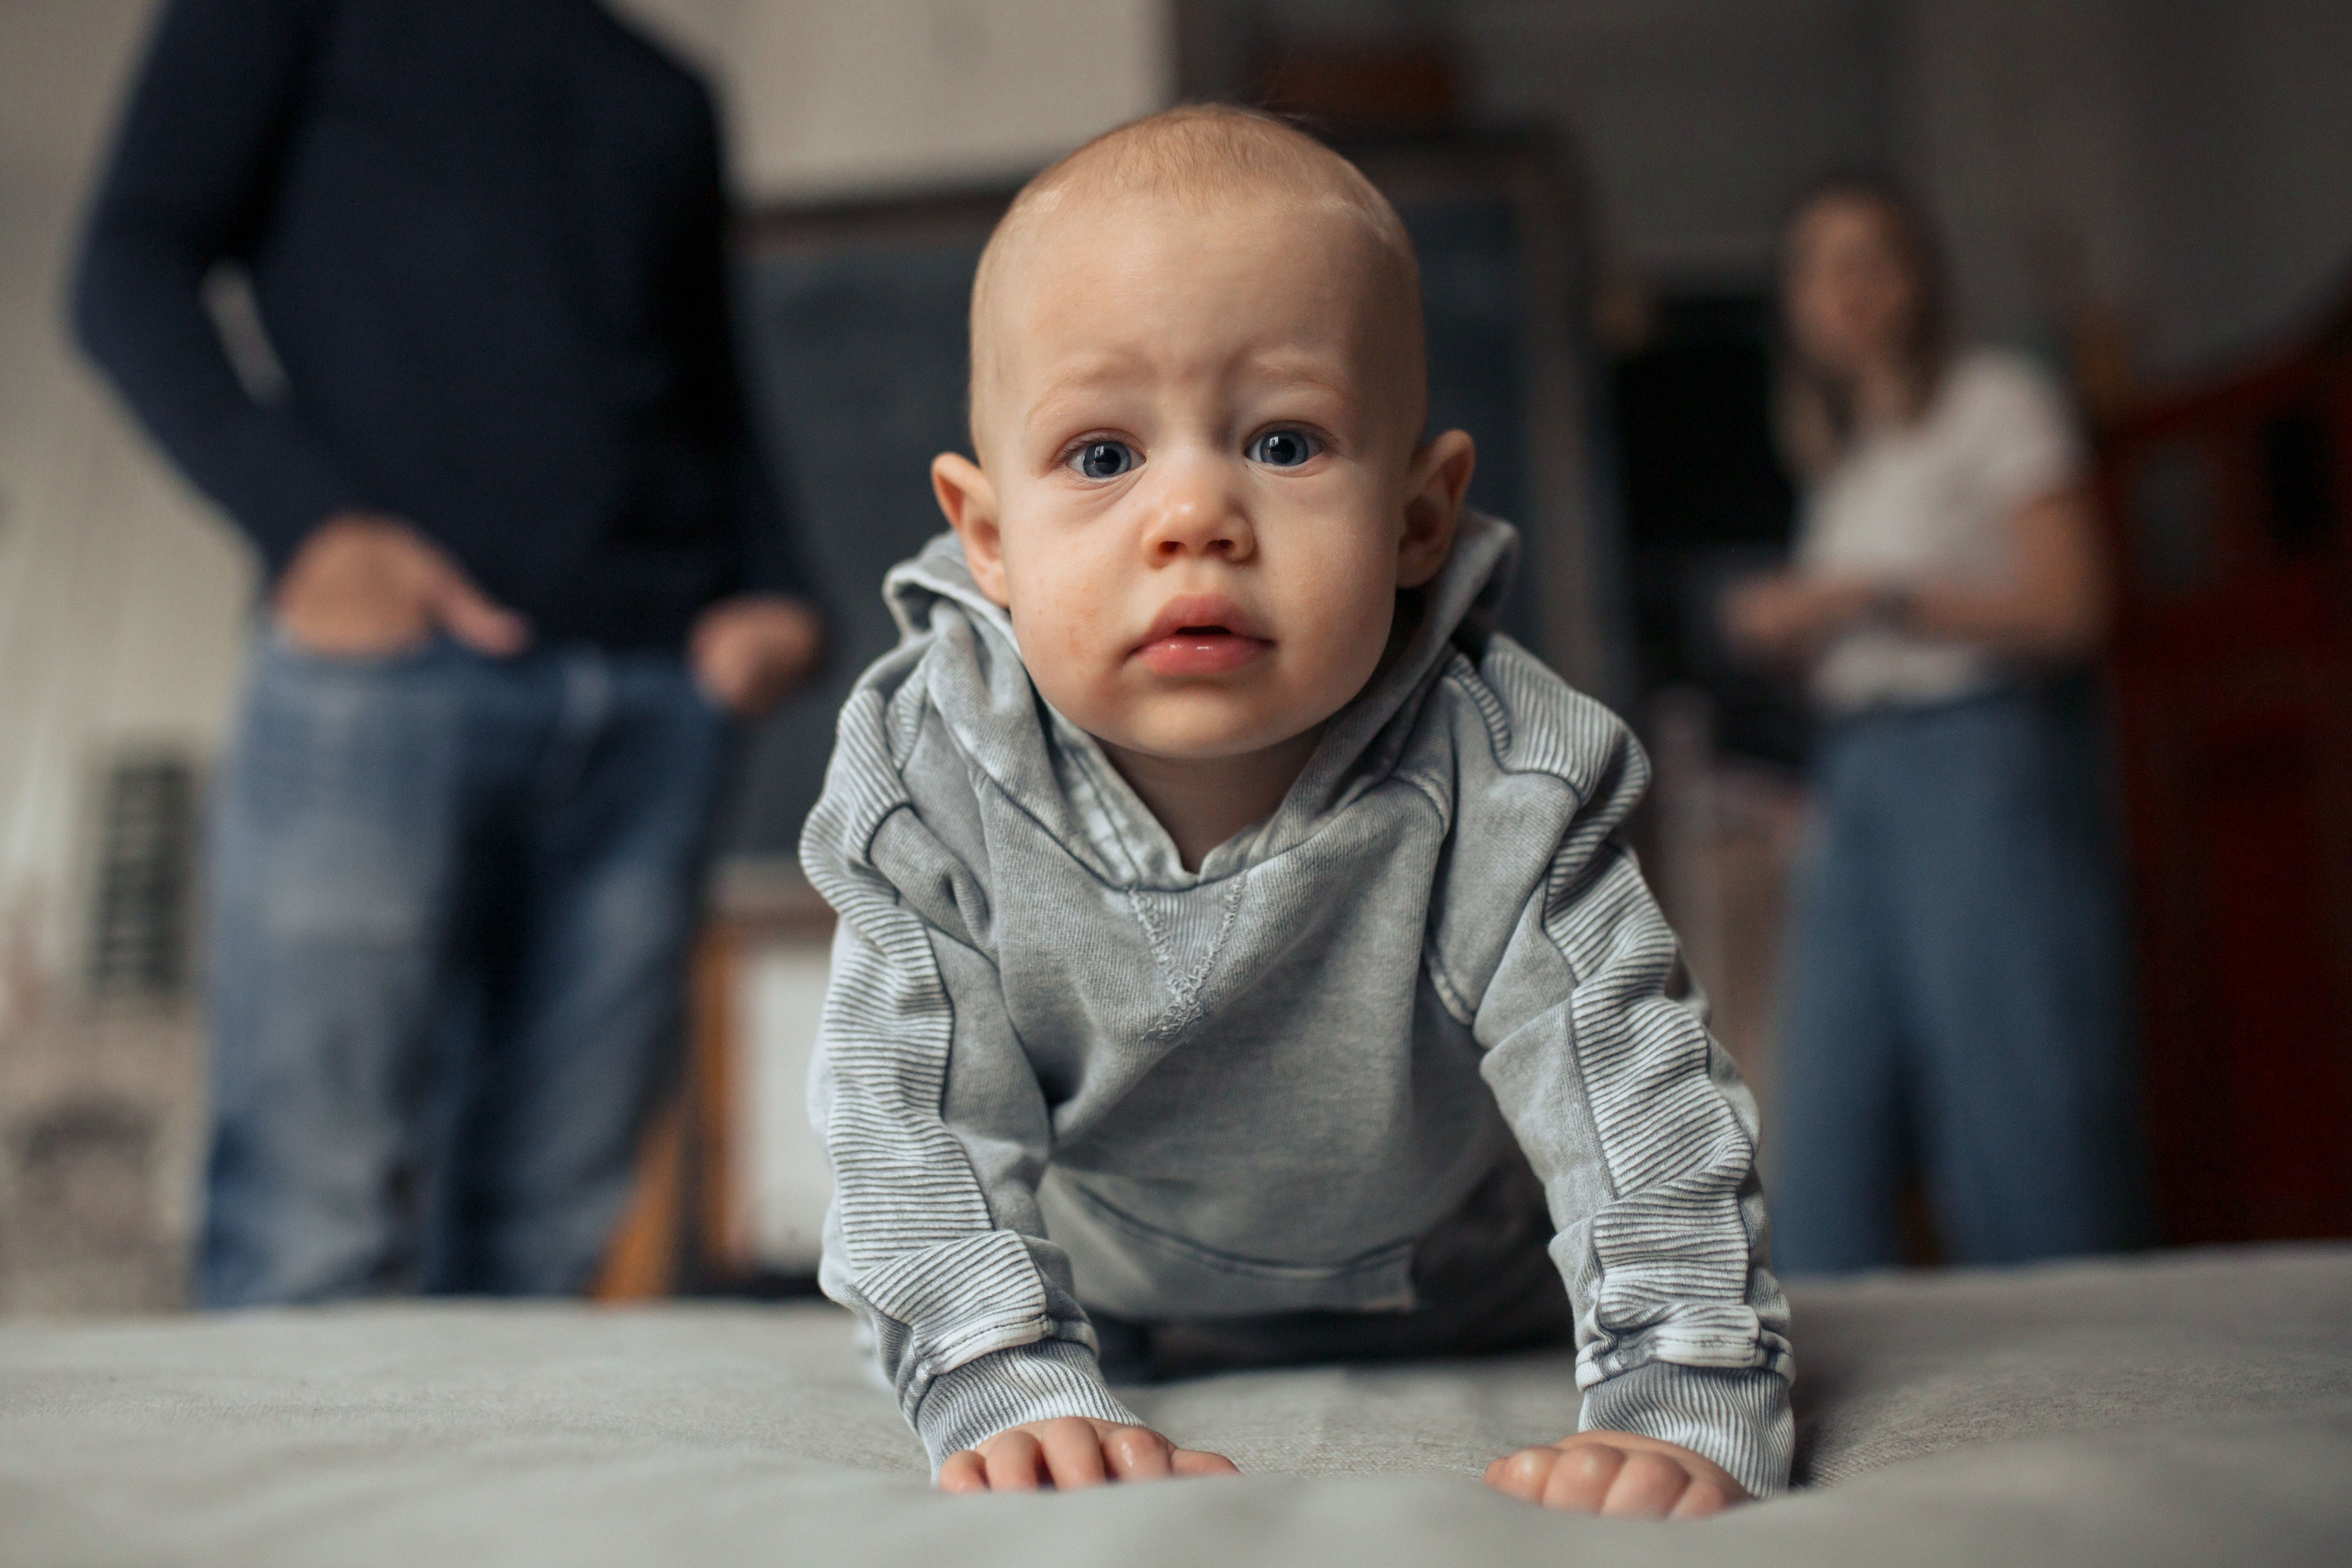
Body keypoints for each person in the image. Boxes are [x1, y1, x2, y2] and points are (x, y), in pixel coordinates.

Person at [798, 106, 1790, 1518]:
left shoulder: (1497, 773)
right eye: (1099, 456)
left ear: (1417, 517)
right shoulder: (930, 779)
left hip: (1466, 1286)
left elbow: (1628, 1093)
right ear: (989, 536)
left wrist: (1680, 1381)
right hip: (1110, 1305)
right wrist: (1005, 1376)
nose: (1194, 514)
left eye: (1282, 439)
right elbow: (913, 1123)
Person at [71, 0, 822, 1303]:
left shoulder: (666, 93)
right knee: (315, 1225)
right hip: (382, 684)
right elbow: (126, 271)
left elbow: (715, 385)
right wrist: (314, 537)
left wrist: (783, 592)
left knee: (550, 1240)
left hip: (658, 703)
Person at [1723, 174, 2143, 1273]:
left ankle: (2080, 1377)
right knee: (1821, 1109)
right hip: (1856, 772)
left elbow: (2069, 606)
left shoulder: (1996, 400)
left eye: (1869, 259)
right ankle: (1818, 1383)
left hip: (1972, 751)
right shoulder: (1845, 462)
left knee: (2015, 1100)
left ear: (1917, 277)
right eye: (1817, 267)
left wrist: (1864, 596)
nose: (1844, 289)